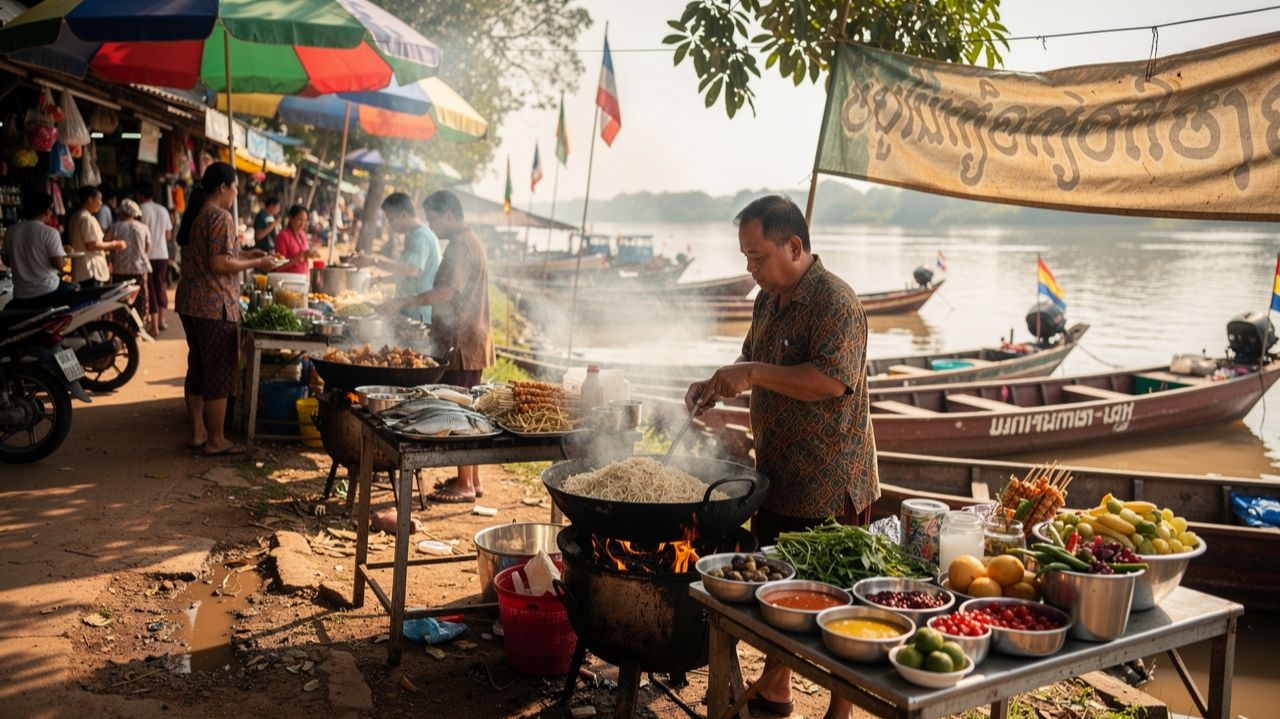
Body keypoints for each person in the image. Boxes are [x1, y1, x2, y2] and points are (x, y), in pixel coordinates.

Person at [684, 195, 877, 719]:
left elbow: (831, 381)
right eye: (745, 257)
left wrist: (750, 374)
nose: (751, 269)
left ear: (794, 246)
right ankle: (776, 692)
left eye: (758, 257)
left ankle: (842, 709)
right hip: (778, 473)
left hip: (831, 479)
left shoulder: (837, 301)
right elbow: (750, 358)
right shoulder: (766, 299)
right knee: (777, 593)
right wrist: (719, 381)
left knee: (834, 601)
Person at [389, 190, 494, 502]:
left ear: (449, 215)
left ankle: (464, 485)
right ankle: (471, 481)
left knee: (459, 413)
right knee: (468, 411)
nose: (431, 224)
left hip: (461, 342)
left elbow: (448, 291)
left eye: (433, 217)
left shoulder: (460, 247)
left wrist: (407, 301)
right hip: (471, 341)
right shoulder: (469, 240)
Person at [174, 162, 277, 456]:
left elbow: (220, 255)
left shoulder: (196, 213)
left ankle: (198, 433)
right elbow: (219, 264)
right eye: (234, 189)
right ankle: (216, 440)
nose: (235, 194)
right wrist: (257, 263)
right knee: (218, 372)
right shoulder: (220, 216)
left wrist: (246, 254)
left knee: (198, 367)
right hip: (213, 304)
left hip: (191, 302)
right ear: (223, 187)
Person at [352, 192, 441, 323]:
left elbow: (411, 270)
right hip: (410, 311)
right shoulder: (412, 235)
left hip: (419, 315)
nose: (389, 223)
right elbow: (408, 276)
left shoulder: (421, 236)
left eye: (390, 219)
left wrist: (373, 261)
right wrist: (379, 279)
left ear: (404, 215)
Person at [1, 188, 77, 308]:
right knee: (75, 288)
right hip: (48, 291)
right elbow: (59, 265)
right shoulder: (50, 232)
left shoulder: (10, 232)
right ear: (47, 211)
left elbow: (5, 261)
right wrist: (64, 257)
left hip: (21, 294)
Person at [136, 180, 174, 334]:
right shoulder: (163, 210)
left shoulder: (140, 209)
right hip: (162, 254)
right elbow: (169, 234)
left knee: (150, 289)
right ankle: (161, 320)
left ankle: (154, 325)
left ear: (140, 195)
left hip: (147, 255)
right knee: (160, 286)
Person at [69, 186, 123, 289]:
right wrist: (115, 244)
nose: (101, 203)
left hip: (81, 270)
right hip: (90, 270)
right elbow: (92, 245)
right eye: (99, 199)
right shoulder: (86, 219)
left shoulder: (75, 217)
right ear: (90, 199)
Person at [105, 199, 152, 316]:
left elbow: (106, 244)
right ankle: (138, 327)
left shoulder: (114, 227)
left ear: (122, 212)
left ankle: (121, 326)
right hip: (139, 269)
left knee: (120, 301)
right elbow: (148, 247)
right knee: (140, 300)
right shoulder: (143, 228)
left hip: (119, 269)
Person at [273, 204, 320, 275]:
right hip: (288, 280)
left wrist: (310, 253)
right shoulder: (283, 236)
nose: (303, 224)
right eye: (300, 219)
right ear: (291, 218)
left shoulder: (303, 234)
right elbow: (278, 267)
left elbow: (305, 255)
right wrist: (298, 258)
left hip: (303, 278)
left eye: (305, 220)